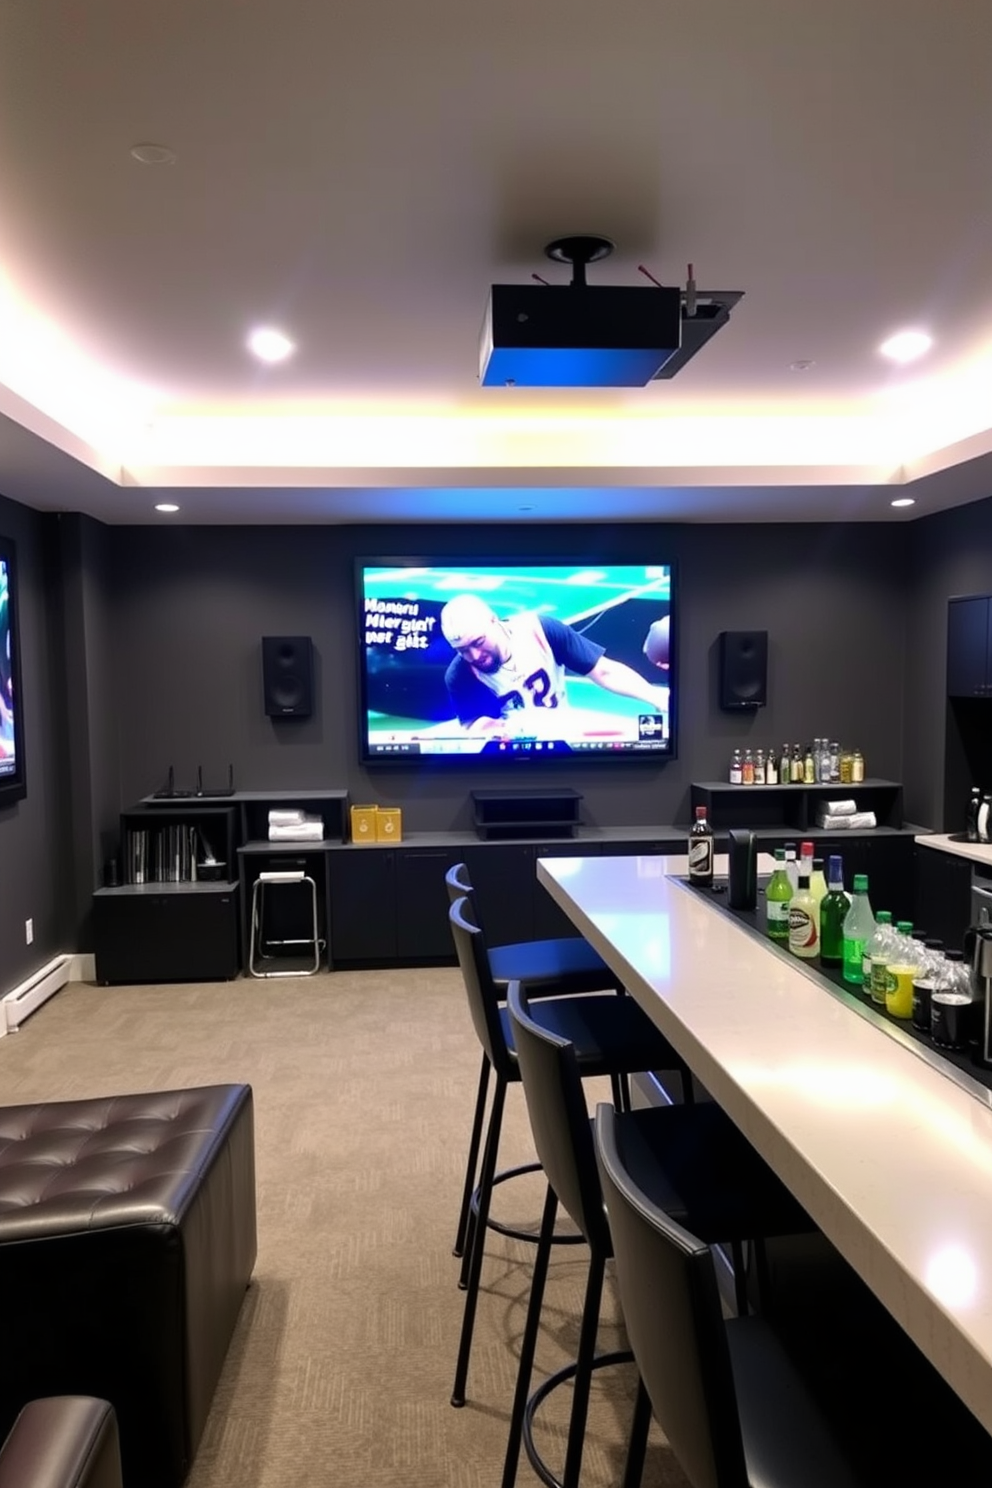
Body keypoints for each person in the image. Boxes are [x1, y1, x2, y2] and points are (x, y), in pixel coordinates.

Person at [439, 593, 667, 735]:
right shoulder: (460, 674)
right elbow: (471, 724)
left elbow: (604, 671)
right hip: (504, 759)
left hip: (560, 744)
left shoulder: (540, 630)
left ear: (493, 620)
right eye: (462, 650)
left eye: (478, 642)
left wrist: (655, 696)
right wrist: (502, 729)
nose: (474, 654)